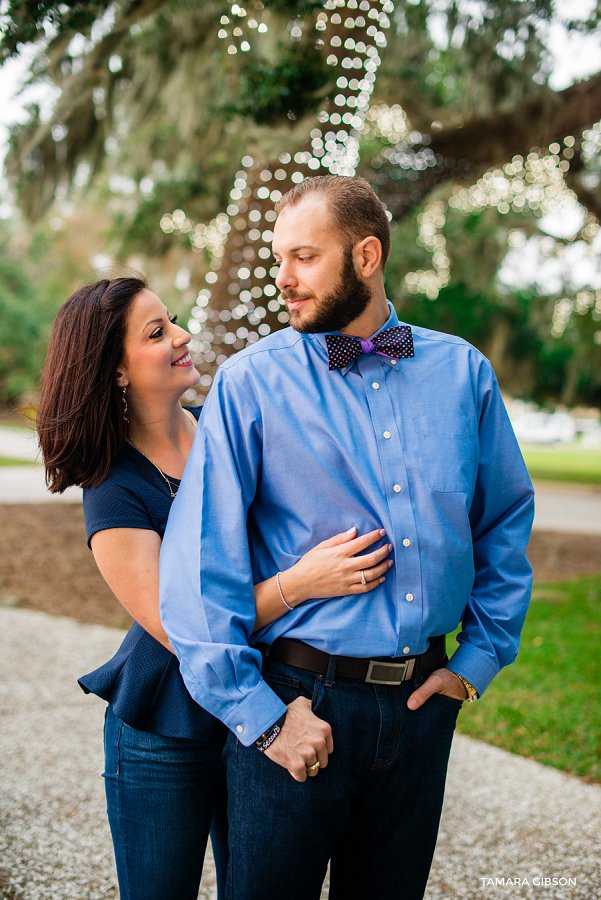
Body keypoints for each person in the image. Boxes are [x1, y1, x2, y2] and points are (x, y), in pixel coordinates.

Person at [159, 175, 535, 900]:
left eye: (303, 257)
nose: (283, 281)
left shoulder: (462, 373)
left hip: (423, 707)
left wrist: (475, 662)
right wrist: (264, 722)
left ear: (365, 255)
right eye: (278, 259)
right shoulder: (251, 384)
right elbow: (197, 570)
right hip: (299, 701)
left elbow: (502, 524)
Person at [35, 276, 394, 900]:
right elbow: (178, 627)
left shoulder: (223, 429)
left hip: (264, 707)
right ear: (115, 370)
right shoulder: (113, 487)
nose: (182, 336)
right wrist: (299, 585)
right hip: (164, 729)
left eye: (172, 320)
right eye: (157, 333)